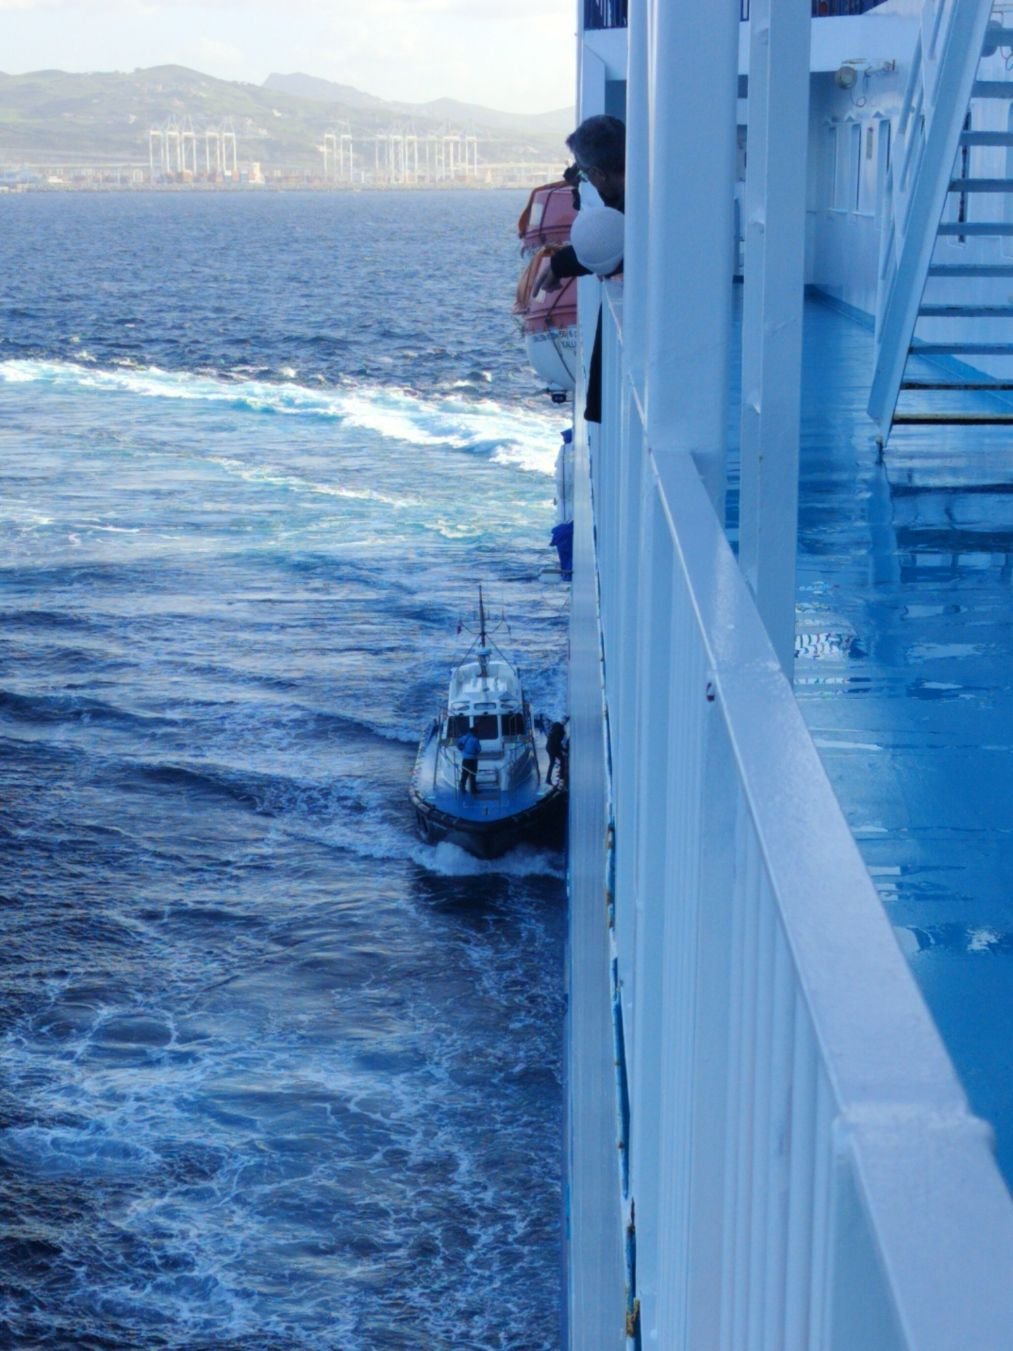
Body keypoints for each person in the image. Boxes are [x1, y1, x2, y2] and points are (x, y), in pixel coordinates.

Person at [536, 115, 626, 424]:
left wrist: (559, 264)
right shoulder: (650, 191)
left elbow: (610, 242)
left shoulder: (632, 207)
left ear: (599, 174)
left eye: (586, 174)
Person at [457, 726, 482, 794]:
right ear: (474, 732)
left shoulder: (463, 738)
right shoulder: (475, 739)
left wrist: (462, 750)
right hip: (473, 759)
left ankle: (462, 788)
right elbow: (479, 749)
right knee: (473, 775)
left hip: (465, 759)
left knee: (464, 774)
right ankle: (473, 790)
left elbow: (458, 744)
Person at [546, 720, 567, 786]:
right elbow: (557, 744)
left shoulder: (553, 732)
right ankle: (562, 776)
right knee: (562, 760)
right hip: (553, 749)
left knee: (552, 763)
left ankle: (548, 779)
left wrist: (563, 749)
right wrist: (564, 750)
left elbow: (557, 743)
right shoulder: (559, 733)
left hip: (549, 748)